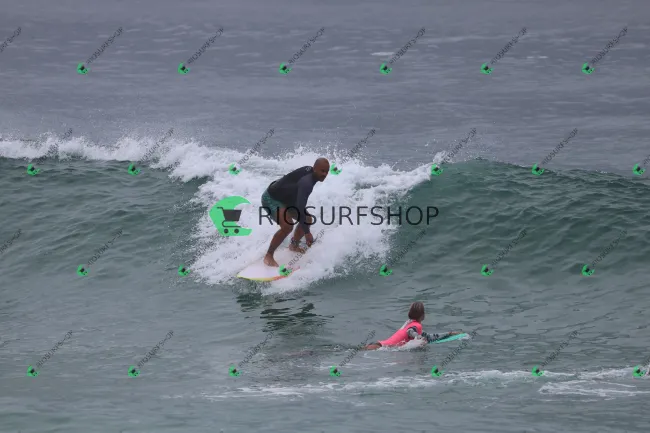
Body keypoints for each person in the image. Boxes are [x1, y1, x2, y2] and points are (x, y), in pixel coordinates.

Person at [261, 158, 330, 267]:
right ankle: (269, 255)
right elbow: (300, 207)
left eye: (327, 171)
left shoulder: (311, 175)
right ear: (315, 168)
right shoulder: (306, 183)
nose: (325, 174)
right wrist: (307, 233)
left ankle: (294, 245)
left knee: (307, 219)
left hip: (287, 200)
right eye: (322, 171)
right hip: (272, 198)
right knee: (287, 226)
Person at [365, 301, 463, 350]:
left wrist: (449, 333)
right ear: (422, 315)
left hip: (378, 345)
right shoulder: (415, 326)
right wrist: (417, 337)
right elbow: (410, 332)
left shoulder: (409, 323)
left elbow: (429, 337)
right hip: (380, 348)